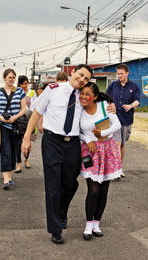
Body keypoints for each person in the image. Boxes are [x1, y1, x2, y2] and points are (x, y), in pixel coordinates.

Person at [21, 64, 116, 244]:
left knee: (71, 184)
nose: (82, 79)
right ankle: (55, 229)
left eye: (86, 78)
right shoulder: (52, 89)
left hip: (72, 144)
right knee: (53, 186)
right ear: (73, 72)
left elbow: (100, 104)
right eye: (80, 75)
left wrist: (112, 106)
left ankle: (61, 211)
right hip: (52, 142)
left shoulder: (84, 96)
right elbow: (36, 113)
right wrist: (26, 138)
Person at [79, 82, 122, 240]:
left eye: (88, 94)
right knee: (93, 190)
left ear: (95, 97)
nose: (84, 96)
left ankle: (97, 224)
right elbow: (77, 131)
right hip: (90, 152)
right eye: (82, 93)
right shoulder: (79, 110)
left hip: (108, 150)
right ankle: (88, 225)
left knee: (103, 190)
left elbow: (117, 124)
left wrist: (103, 132)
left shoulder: (105, 106)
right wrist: (87, 140)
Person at [0, 69, 26, 190]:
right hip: (2, 126)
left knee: (13, 151)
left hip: (16, 125)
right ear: (4, 78)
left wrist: (14, 117)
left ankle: (10, 177)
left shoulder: (20, 91)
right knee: (5, 151)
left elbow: (23, 109)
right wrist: (1, 118)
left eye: (13, 77)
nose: (11, 79)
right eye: (9, 77)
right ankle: (6, 179)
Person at [106, 64, 140, 173]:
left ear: (127, 73)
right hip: (114, 119)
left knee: (122, 145)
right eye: (118, 73)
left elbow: (137, 100)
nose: (119, 75)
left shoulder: (134, 87)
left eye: (121, 73)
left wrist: (131, 105)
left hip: (127, 119)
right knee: (116, 143)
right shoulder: (113, 85)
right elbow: (106, 98)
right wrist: (110, 104)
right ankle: (117, 170)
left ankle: (119, 166)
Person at [15, 75, 32, 173]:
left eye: (25, 83)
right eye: (22, 84)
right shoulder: (17, 92)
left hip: (29, 120)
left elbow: (35, 106)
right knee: (18, 143)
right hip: (18, 120)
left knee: (27, 142)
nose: (24, 86)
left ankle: (26, 159)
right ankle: (18, 164)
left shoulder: (32, 92)